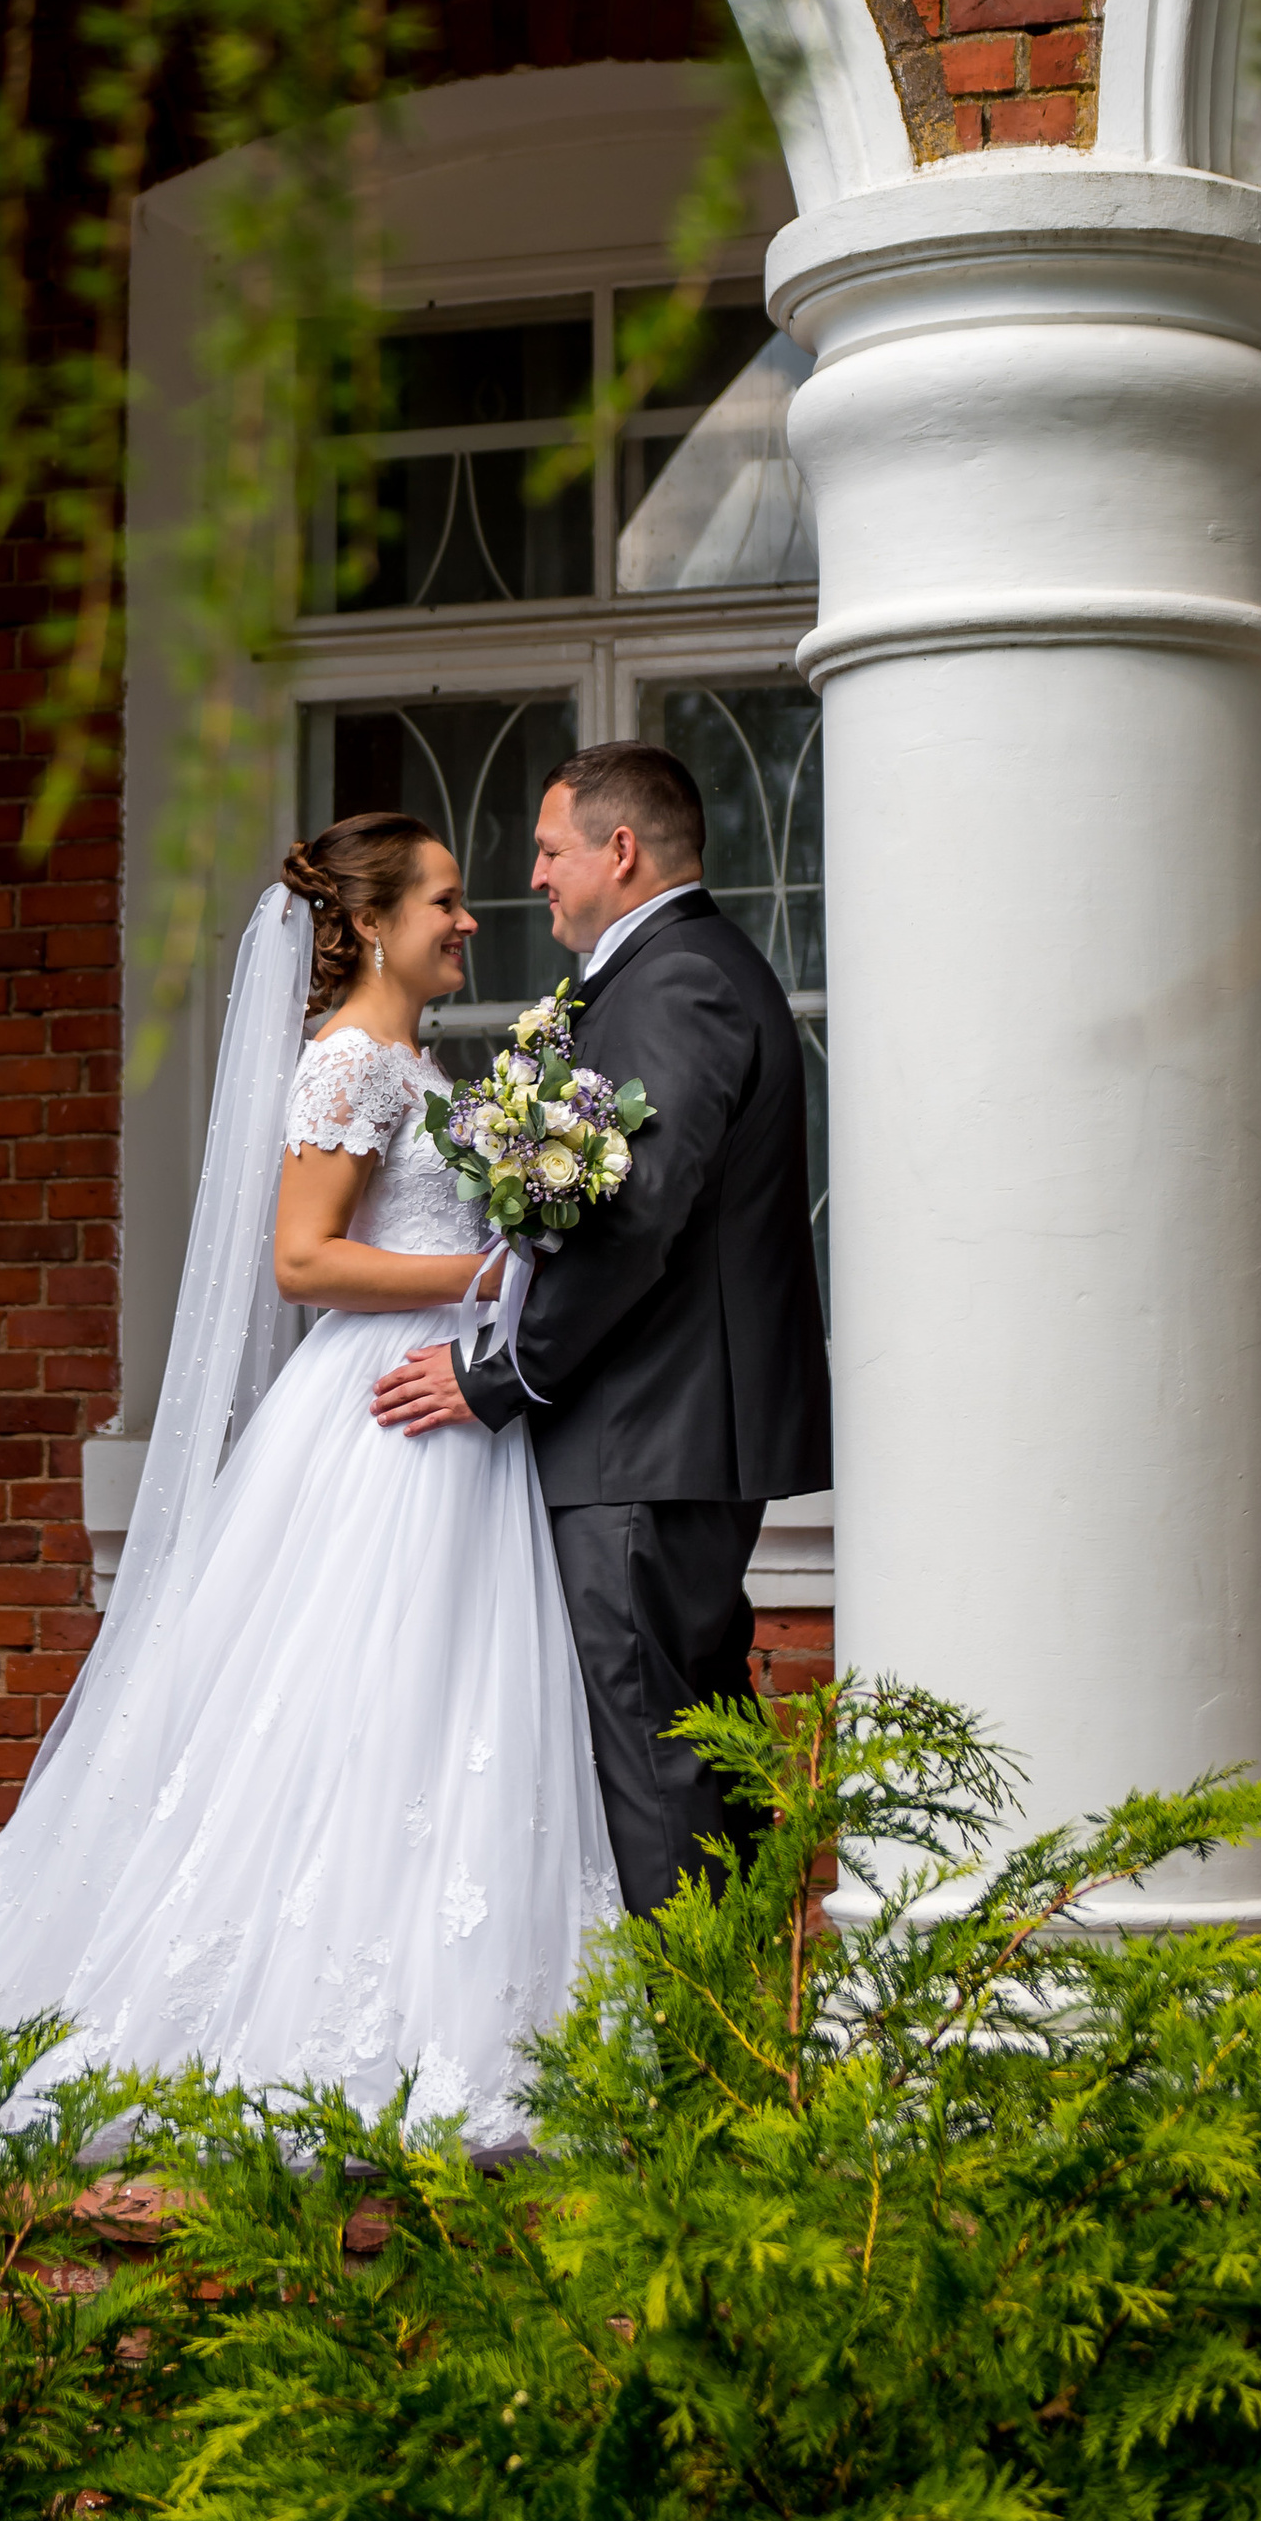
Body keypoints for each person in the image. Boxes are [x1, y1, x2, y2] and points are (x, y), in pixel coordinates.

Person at [0, 812, 617, 2140]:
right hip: (384, 1412)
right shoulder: (351, 1061)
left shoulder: (420, 1055)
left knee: (441, 1702)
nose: (470, 921)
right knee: (352, 1704)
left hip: (450, 1409)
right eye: (446, 902)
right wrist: (493, 1270)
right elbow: (304, 1257)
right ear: (368, 924)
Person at [373, 741, 831, 1914]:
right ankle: (739, 2049)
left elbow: (637, 1216)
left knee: (652, 1760)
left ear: (618, 852)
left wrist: (503, 1373)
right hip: (669, 1434)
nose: (532, 876)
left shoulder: (675, 978)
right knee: (698, 1746)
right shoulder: (681, 967)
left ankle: (695, 2066)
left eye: (547, 849)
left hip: (646, 1436)